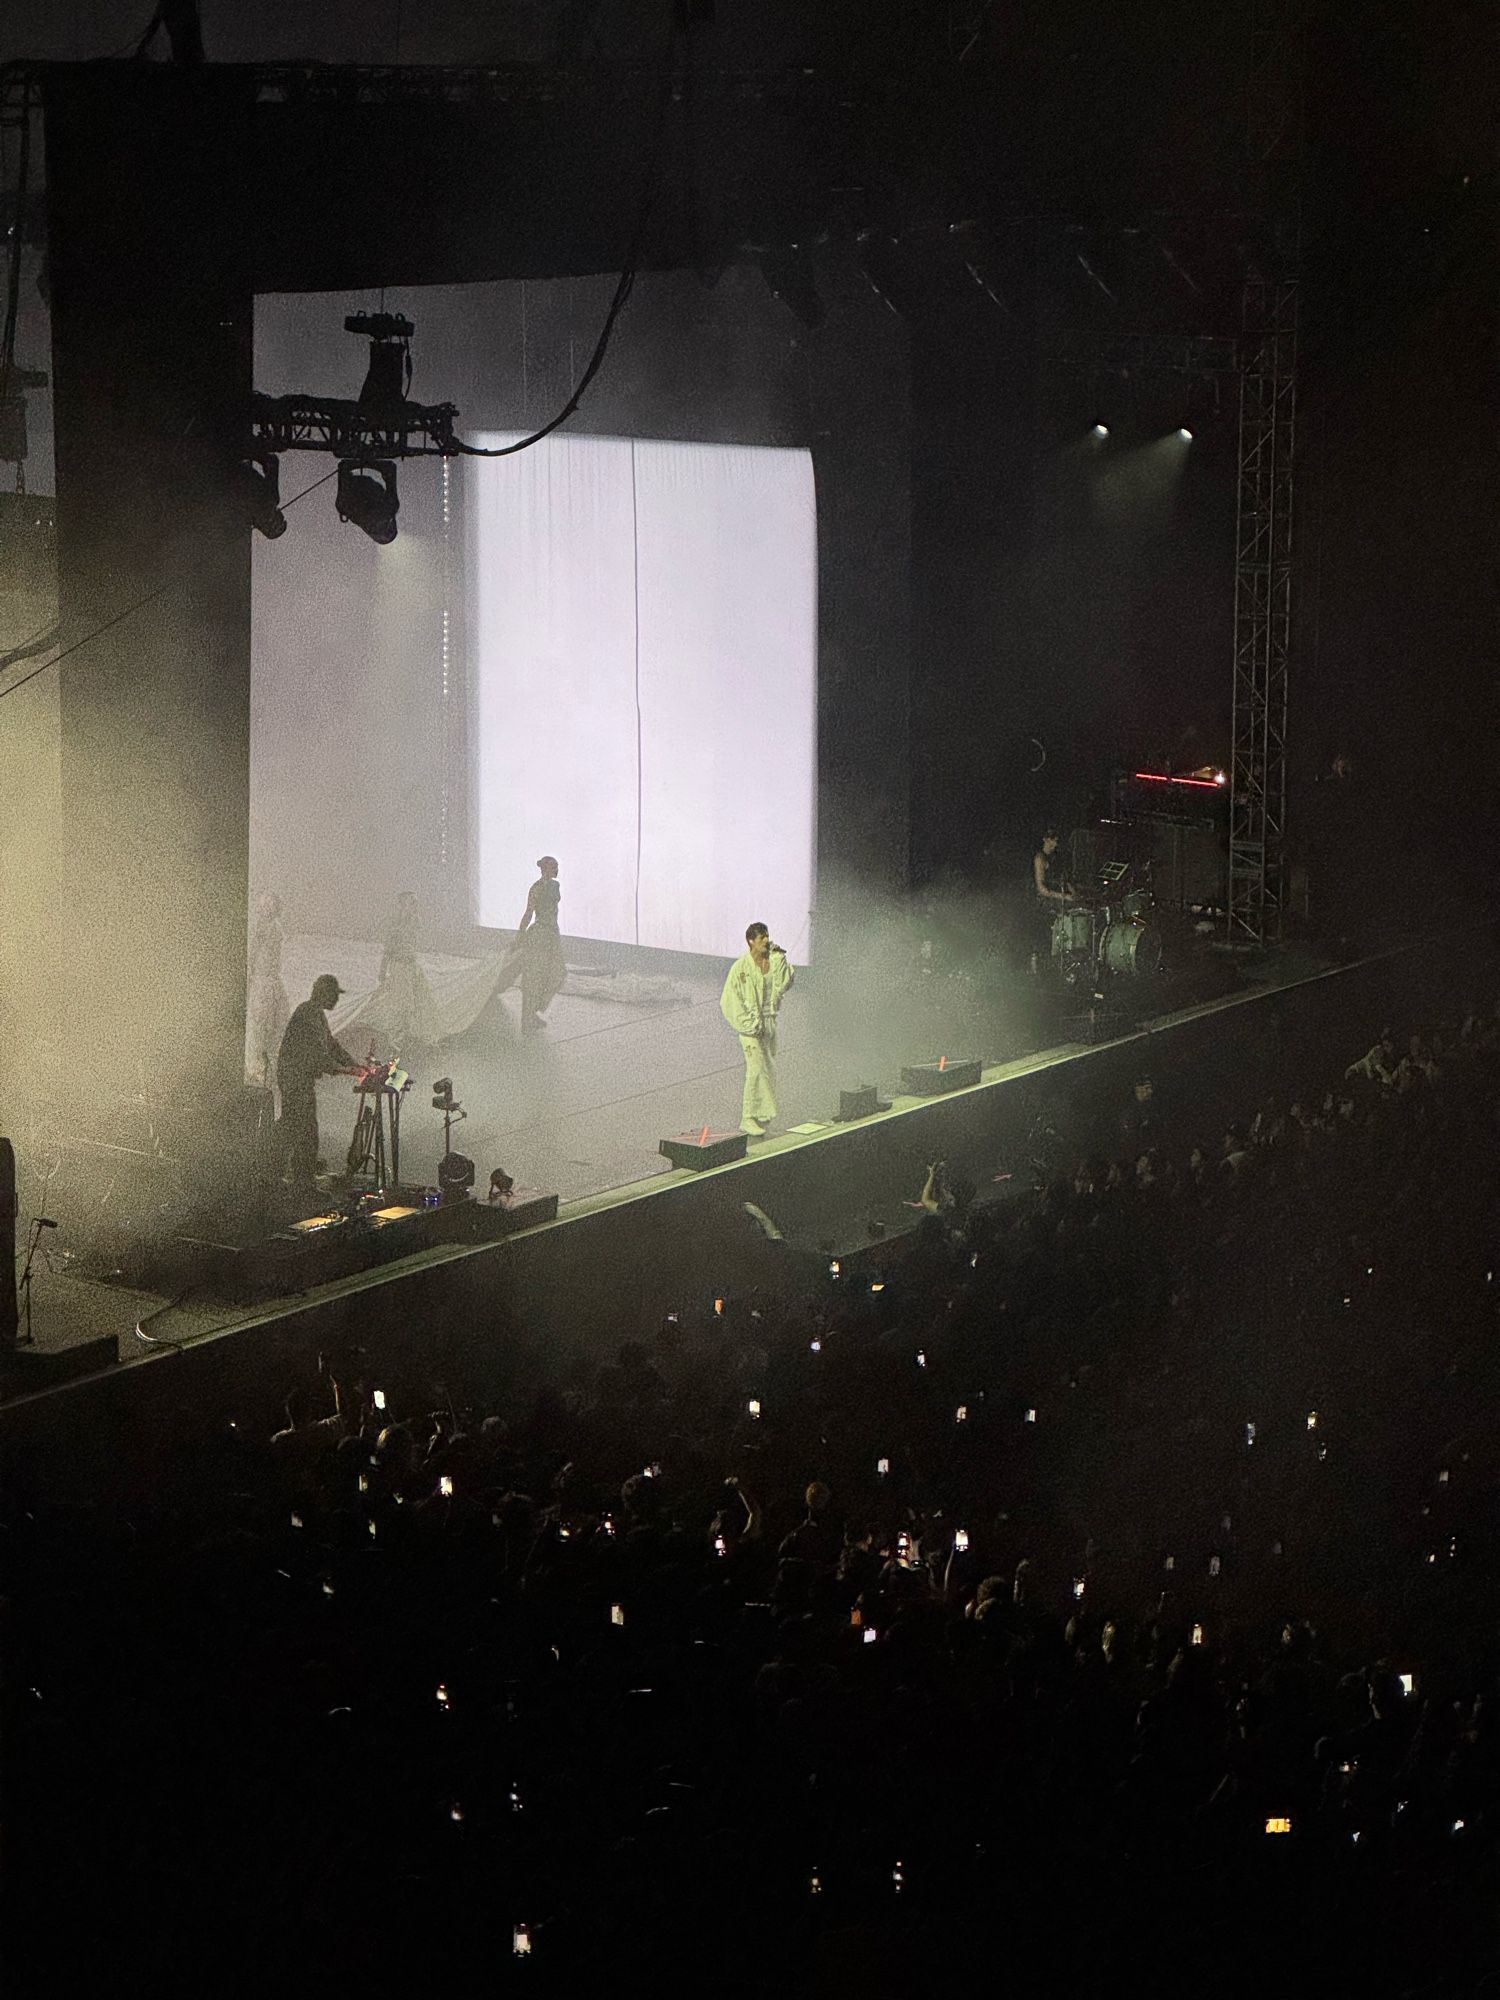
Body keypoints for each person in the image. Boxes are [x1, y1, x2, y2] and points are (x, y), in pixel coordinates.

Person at [276, 973, 358, 1183]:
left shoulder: (316, 1014)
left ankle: (286, 1175)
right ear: (324, 993)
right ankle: (301, 1183)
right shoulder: (307, 1013)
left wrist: (354, 1064)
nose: (337, 1000)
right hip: (295, 1080)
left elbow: (331, 1045)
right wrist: (345, 1070)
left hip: (299, 1079)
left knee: (295, 1126)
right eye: (334, 995)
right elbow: (318, 1055)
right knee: (305, 1130)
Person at [720, 922, 794, 1137]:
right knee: (756, 1069)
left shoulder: (773, 962)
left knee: (768, 1068)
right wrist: (748, 1025)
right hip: (750, 1029)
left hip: (769, 1023)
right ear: (751, 940)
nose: (767, 941)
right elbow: (728, 1001)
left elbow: (786, 984)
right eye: (762, 938)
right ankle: (747, 1117)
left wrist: (781, 960)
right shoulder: (740, 968)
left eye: (768, 937)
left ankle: (762, 1112)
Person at [494, 856, 566, 1035]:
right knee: (533, 977)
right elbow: (529, 913)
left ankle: (532, 1013)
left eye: (556, 866)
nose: (557, 869)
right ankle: (528, 1019)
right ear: (546, 868)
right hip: (540, 935)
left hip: (551, 935)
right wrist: (520, 934)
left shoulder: (555, 886)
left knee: (555, 973)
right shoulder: (536, 888)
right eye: (553, 866)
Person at [366, 890, 440, 1054]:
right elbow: (388, 949)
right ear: (401, 905)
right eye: (411, 902)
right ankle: (396, 1043)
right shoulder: (394, 924)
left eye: (416, 902)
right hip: (399, 968)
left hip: (413, 967)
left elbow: (411, 944)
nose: (415, 905)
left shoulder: (415, 921)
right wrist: (383, 970)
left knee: (421, 1001)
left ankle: (418, 1036)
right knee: (402, 1004)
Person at [245, 890, 290, 1087]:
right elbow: (252, 955)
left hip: (271, 981)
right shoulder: (259, 927)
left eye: (271, 904)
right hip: (262, 982)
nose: (267, 908)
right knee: (259, 1026)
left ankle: (268, 1066)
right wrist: (250, 979)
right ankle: (256, 1070)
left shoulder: (273, 927)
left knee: (277, 1023)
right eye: (264, 905)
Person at [1031, 827, 1073, 972]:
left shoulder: (1056, 858)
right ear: (1046, 840)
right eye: (1053, 840)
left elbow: (1065, 880)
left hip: (1058, 898)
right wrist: (1063, 896)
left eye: (1057, 841)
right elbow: (1041, 888)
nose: (1055, 844)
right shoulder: (1040, 858)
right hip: (1045, 902)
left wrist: (1075, 894)